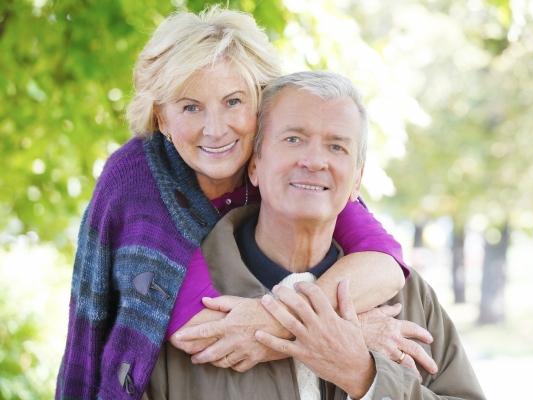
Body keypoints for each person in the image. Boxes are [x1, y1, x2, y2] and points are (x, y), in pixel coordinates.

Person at [56, 7, 435, 400]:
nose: (216, 129)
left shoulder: (284, 164)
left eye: (233, 101)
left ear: (259, 100)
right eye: (190, 107)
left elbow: (384, 262)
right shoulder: (138, 180)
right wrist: (344, 331)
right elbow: (205, 331)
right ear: (162, 118)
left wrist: (328, 330)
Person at [143, 71, 486, 400]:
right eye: (293, 139)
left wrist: (364, 376)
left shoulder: (407, 299)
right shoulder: (182, 298)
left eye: (337, 147)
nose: (314, 161)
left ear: (356, 181)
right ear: (254, 166)